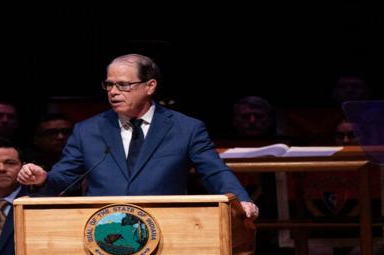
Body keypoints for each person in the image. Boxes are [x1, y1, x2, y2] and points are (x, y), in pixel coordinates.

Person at [15, 54, 259, 220]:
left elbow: (214, 171)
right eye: (109, 85)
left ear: (150, 86)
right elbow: (65, 178)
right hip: (102, 230)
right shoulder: (87, 130)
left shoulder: (186, 128)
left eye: (123, 85)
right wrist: (43, 178)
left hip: (167, 227)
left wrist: (240, 201)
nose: (113, 92)